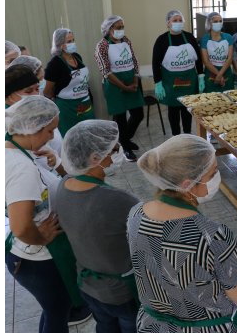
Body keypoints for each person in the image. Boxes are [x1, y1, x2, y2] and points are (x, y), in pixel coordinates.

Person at [128, 135, 237, 331]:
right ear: (188, 184)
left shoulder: (136, 214)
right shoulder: (212, 235)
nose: (217, 177)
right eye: (213, 173)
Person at [51, 120, 140, 333]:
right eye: (114, 150)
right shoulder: (118, 200)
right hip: (120, 292)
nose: (117, 155)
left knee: (105, 325)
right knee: (130, 327)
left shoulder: (63, 185)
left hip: (88, 284)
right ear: (94, 158)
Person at [5, 96, 84, 333]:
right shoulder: (21, 167)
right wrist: (42, 237)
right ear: (31, 129)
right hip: (38, 259)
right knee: (57, 313)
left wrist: (52, 161)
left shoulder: (14, 151)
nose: (52, 136)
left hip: (32, 257)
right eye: (50, 130)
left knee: (53, 310)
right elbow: (20, 227)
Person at [94, 15, 144, 162]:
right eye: (118, 27)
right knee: (120, 118)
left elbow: (134, 61)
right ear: (109, 29)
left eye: (122, 26)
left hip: (131, 81)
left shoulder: (126, 40)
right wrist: (124, 87)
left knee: (138, 114)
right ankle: (126, 149)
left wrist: (135, 80)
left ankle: (124, 139)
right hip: (115, 86)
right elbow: (106, 71)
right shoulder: (102, 45)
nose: (121, 30)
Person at [151, 10, 204, 135]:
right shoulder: (162, 40)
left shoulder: (190, 37)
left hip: (189, 80)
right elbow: (155, 63)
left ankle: (187, 134)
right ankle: (176, 136)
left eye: (180, 20)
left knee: (187, 109)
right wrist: (158, 82)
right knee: (173, 109)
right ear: (168, 23)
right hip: (171, 82)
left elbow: (199, 59)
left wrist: (201, 76)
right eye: (175, 20)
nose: (178, 23)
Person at [6, 64, 63, 180]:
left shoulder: (44, 116)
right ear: (9, 97)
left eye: (37, 89)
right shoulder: (7, 129)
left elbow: (56, 157)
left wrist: (55, 161)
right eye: (28, 91)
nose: (35, 95)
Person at [44, 28, 95, 134]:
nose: (73, 43)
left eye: (73, 40)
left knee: (89, 134)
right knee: (71, 136)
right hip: (67, 108)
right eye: (69, 42)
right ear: (60, 44)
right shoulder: (54, 64)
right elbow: (47, 91)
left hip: (85, 103)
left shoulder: (77, 57)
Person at [200, 11, 237, 92]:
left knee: (228, 100)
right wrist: (218, 75)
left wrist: (220, 74)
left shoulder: (228, 37)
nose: (218, 23)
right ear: (209, 24)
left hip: (226, 73)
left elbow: (229, 58)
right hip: (211, 74)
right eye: (215, 21)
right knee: (211, 100)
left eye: (220, 21)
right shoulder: (205, 39)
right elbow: (206, 61)